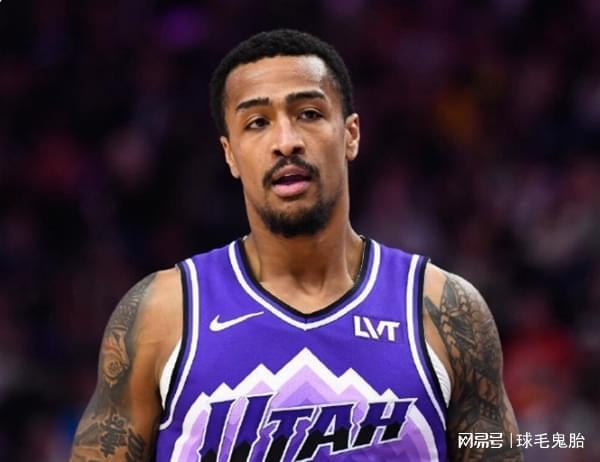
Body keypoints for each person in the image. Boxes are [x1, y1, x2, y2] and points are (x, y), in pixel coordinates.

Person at [70, 29, 522, 461]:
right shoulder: (161, 313)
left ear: (351, 134)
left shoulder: (445, 310)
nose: (286, 142)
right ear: (230, 154)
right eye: (257, 123)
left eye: (308, 114)